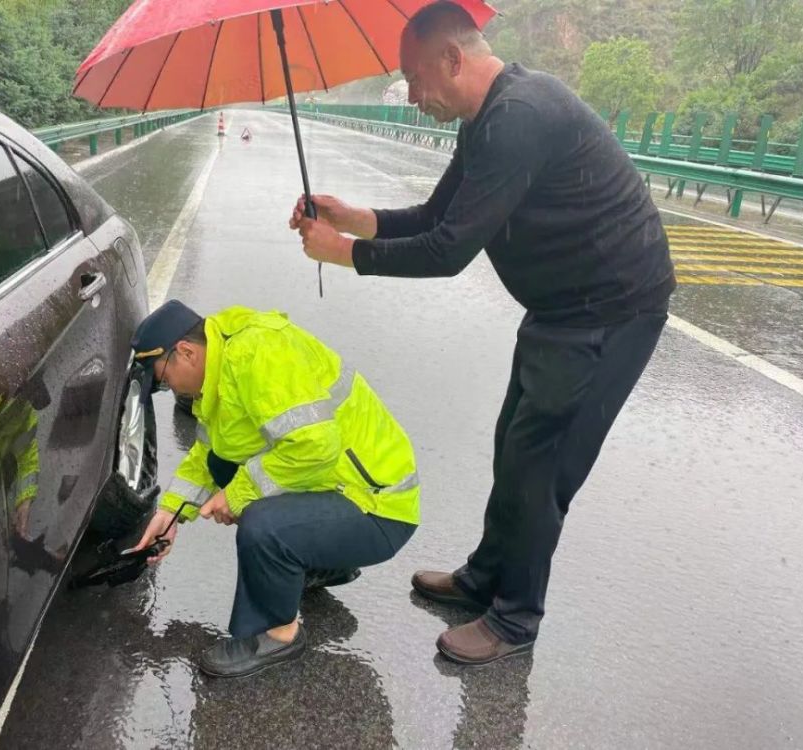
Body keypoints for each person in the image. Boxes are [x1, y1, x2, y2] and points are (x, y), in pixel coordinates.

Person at [289, 0, 675, 665]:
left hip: (612, 310)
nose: (412, 97)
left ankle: (515, 619)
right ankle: (485, 577)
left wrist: (343, 255)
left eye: (415, 79)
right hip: (560, 307)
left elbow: (448, 252)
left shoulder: (519, 119)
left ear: (452, 59)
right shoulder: (485, 120)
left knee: (540, 466)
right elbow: (438, 216)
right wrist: (353, 218)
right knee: (513, 444)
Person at [129, 300, 420, 677]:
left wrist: (237, 495)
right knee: (225, 465)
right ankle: (320, 562)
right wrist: (170, 515)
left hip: (379, 506)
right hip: (338, 489)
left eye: (164, 379)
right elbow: (208, 455)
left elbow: (315, 444)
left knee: (263, 525)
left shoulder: (257, 355)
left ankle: (279, 633)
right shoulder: (222, 367)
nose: (169, 388)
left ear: (185, 352)